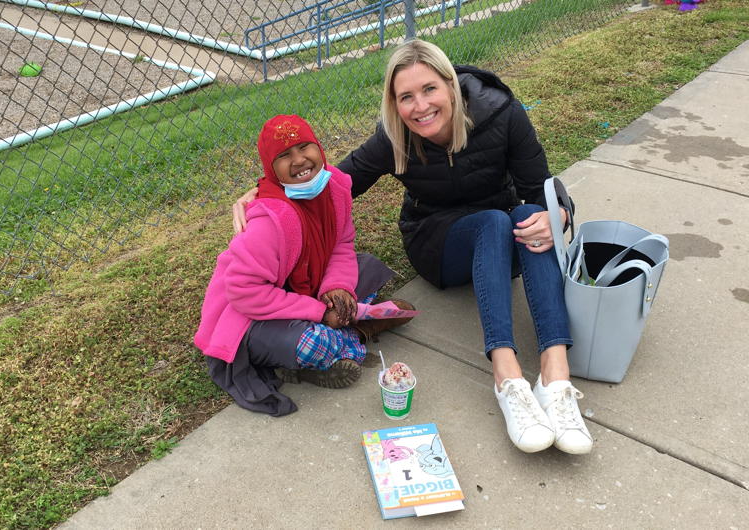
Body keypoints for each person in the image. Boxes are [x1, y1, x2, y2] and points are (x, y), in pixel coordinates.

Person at [233, 40, 592, 454]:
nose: (420, 107)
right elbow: (337, 181)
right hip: (438, 243)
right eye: (406, 97)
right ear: (394, 103)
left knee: (530, 214)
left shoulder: (501, 113)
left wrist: (559, 215)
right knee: (494, 221)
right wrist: (269, 190)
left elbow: (540, 187)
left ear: (452, 86)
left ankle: (555, 376)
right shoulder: (395, 136)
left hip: (501, 242)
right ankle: (507, 377)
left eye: (429, 90)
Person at [195, 114, 412, 417]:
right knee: (311, 342)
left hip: (305, 291)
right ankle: (359, 331)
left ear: (319, 148)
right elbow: (244, 293)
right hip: (252, 317)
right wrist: (322, 312)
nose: (299, 160)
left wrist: (336, 289)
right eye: (284, 155)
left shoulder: (335, 188)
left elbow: (341, 244)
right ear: (271, 169)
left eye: (304, 147)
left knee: (368, 268)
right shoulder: (268, 222)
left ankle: (339, 334)